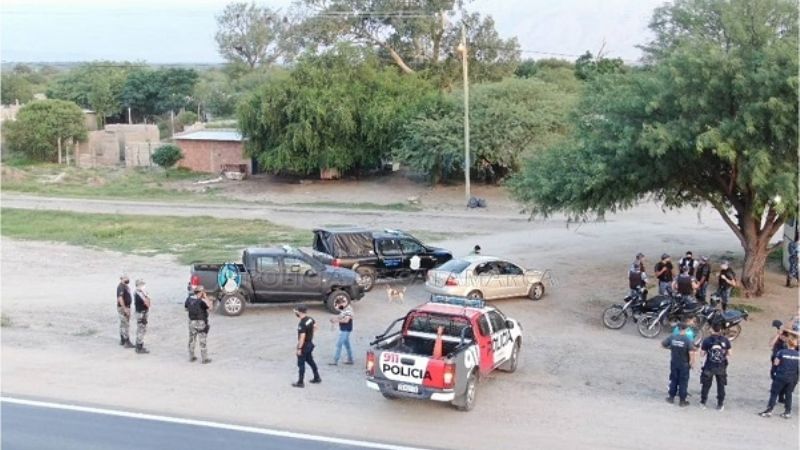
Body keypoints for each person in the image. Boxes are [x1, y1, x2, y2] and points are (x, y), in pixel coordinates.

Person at [760, 336, 799, 419]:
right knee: (789, 394)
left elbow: (776, 363)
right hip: (791, 377)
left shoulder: (781, 352)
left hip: (781, 376)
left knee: (774, 393)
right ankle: (787, 412)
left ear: (787, 344)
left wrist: (773, 372)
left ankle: (769, 410)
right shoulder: (798, 354)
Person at [662, 322, 697, 406]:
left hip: (674, 362)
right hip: (684, 364)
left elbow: (662, 344)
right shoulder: (687, 340)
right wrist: (692, 363)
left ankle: (671, 397)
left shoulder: (672, 337)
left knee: (674, 379)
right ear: (686, 329)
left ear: (678, 328)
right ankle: (682, 400)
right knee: (683, 382)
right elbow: (691, 353)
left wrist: (671, 348)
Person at [699, 323, 732, 411]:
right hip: (721, 366)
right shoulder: (725, 340)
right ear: (720, 330)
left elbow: (702, 354)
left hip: (709, 366)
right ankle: (720, 404)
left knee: (706, 385)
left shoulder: (707, 340)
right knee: (721, 386)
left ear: (712, 330)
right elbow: (730, 353)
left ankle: (703, 402)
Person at [292, 304, 321, 388]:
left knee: (301, 364)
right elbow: (315, 327)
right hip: (310, 344)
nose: (295, 313)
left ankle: (300, 382)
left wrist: (299, 348)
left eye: (296, 311)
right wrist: (310, 335)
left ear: (300, 312)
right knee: (310, 361)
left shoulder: (302, 323)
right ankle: (317, 377)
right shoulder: (310, 319)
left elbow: (302, 337)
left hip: (304, 345)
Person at [185, 285, 212, 364]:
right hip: (201, 322)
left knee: (192, 339)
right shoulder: (202, 301)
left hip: (191, 322)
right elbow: (210, 307)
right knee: (202, 340)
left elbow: (186, 308)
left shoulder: (189, 299)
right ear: (200, 292)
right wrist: (206, 297)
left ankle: (191, 356)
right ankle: (204, 359)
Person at [329, 298, 354, 365]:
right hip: (345, 329)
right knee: (347, 345)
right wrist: (334, 319)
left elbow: (346, 320)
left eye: (339, 305)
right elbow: (341, 316)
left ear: (342, 303)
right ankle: (350, 359)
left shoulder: (348, 310)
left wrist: (336, 320)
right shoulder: (345, 309)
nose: (339, 307)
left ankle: (335, 361)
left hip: (346, 329)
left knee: (339, 344)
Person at [116, 274, 134, 349]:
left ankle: (123, 340)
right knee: (125, 324)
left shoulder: (125, 286)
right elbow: (120, 298)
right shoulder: (121, 287)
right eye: (126, 278)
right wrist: (125, 309)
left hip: (126, 307)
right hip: (123, 307)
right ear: (121, 279)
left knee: (123, 324)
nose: (128, 279)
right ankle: (127, 342)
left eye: (128, 277)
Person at [133, 279, 151, 354]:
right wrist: (147, 296)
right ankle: (139, 347)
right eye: (142, 284)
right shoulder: (139, 293)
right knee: (141, 329)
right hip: (141, 313)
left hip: (142, 312)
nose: (144, 286)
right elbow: (148, 304)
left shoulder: (139, 292)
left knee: (141, 329)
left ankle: (139, 344)